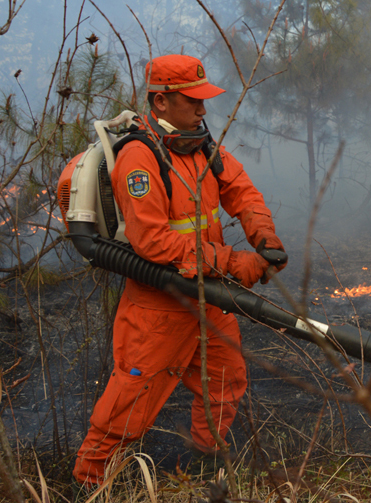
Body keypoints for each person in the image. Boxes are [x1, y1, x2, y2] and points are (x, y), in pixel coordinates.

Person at [73, 54, 286, 486]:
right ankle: (89, 483)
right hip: (159, 305)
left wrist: (265, 239)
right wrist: (233, 262)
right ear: (161, 101)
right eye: (192, 100)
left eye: (203, 99)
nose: (203, 109)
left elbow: (242, 191)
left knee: (225, 379)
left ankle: (204, 460)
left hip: (207, 297)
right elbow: (153, 242)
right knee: (131, 401)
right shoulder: (140, 158)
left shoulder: (199, 145)